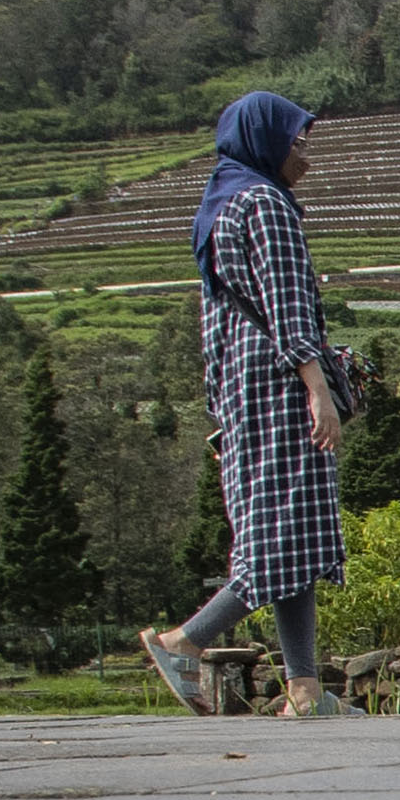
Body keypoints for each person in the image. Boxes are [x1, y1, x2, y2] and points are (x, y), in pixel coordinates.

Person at [142, 91, 348, 719]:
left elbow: (216, 324)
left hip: (242, 387)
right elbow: (289, 310)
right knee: (283, 530)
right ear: (266, 142)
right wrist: (319, 390)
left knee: (296, 533)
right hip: (283, 385)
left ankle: (305, 689)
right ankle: (186, 640)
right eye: (297, 143)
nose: (305, 157)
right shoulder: (266, 206)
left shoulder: (221, 207)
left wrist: (222, 408)